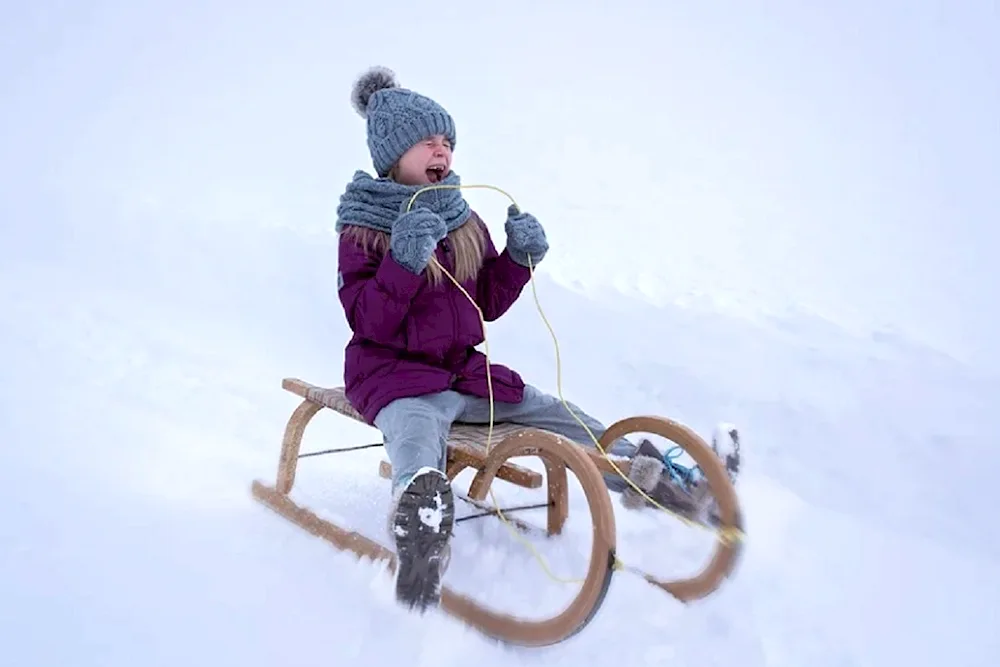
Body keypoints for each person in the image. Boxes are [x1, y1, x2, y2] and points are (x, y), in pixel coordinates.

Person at [333, 66, 727, 612]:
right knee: (416, 432)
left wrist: (518, 258)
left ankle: (659, 478)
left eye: (447, 140)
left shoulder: (461, 218)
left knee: (555, 411)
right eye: (428, 141)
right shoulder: (362, 228)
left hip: (463, 374)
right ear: (394, 153)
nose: (441, 150)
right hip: (395, 378)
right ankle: (421, 523)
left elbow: (487, 302)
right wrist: (402, 261)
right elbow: (366, 319)